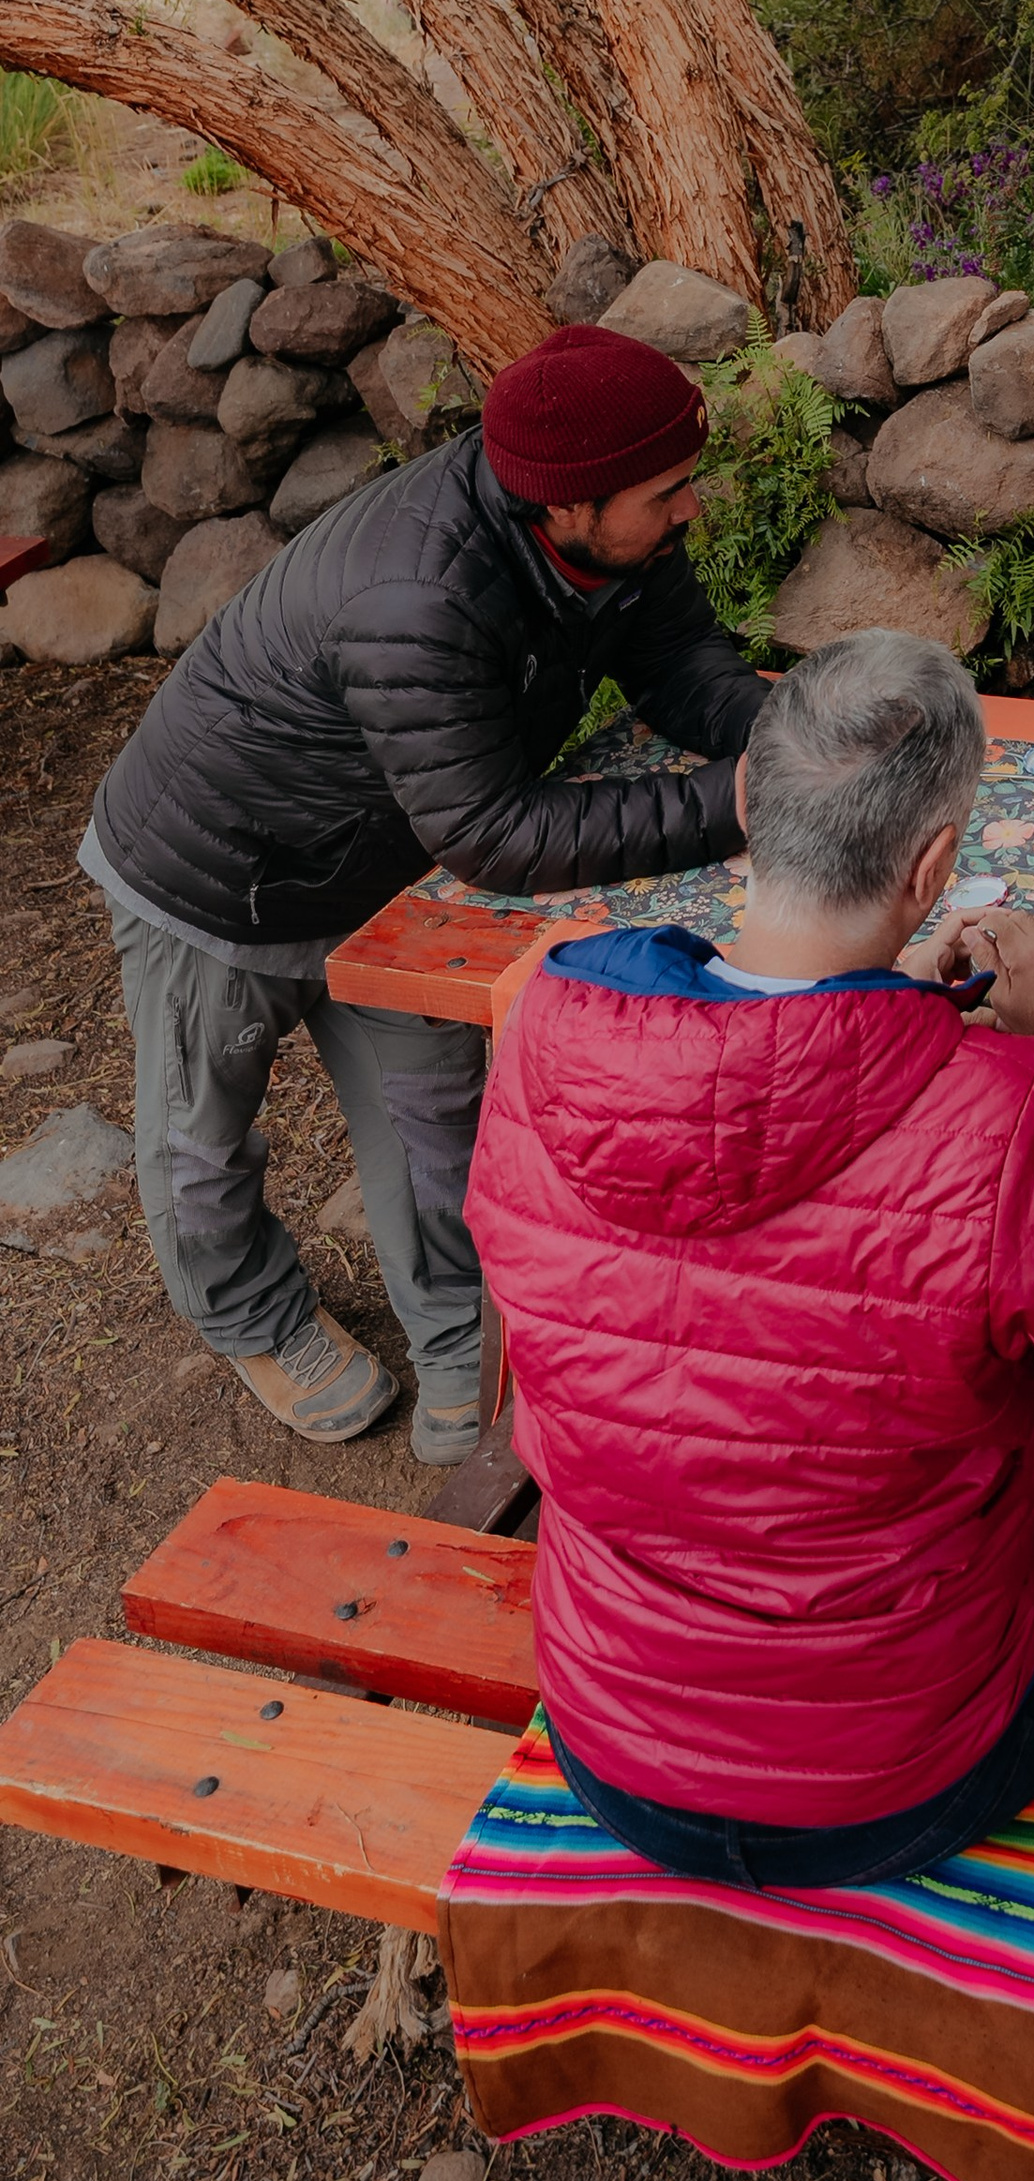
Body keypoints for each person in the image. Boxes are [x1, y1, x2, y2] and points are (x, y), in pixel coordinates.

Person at [467, 631, 1034, 1887]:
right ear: (935, 864)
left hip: (610, 1734)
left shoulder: (541, 1036)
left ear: (748, 803)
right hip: (897, 1774)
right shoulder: (1003, 1108)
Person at [84, 320, 770, 1463]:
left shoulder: (619, 532)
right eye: (670, 490)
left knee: (437, 1122)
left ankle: (456, 1328)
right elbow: (497, 833)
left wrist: (780, 739)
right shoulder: (420, 590)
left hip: (397, 862)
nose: (691, 507)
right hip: (217, 870)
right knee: (203, 1142)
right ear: (568, 506)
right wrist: (742, 802)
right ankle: (251, 1317)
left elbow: (679, 661)